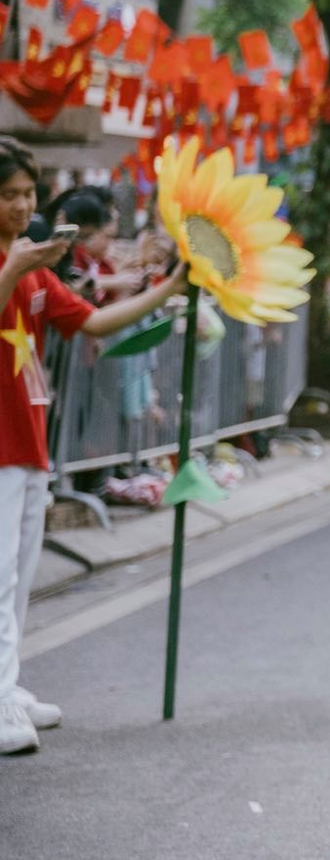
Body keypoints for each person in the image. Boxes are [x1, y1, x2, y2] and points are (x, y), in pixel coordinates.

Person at [0, 136, 189, 755]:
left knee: (19, 575)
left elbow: (91, 320)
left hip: (28, 438)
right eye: (9, 195)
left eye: (27, 194)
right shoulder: (19, 266)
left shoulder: (33, 269)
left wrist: (170, 287)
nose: (20, 205)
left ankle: (9, 684)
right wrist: (16, 270)